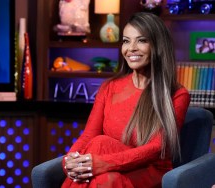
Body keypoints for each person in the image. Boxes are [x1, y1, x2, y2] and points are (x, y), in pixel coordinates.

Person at [61, 12, 190, 187]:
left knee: (101, 153)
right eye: (126, 41)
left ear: (158, 46)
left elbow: (156, 148)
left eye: (142, 40)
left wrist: (103, 164)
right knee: (99, 149)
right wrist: (69, 161)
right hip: (109, 171)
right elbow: (88, 135)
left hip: (149, 170)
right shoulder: (109, 87)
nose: (131, 48)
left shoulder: (177, 94)